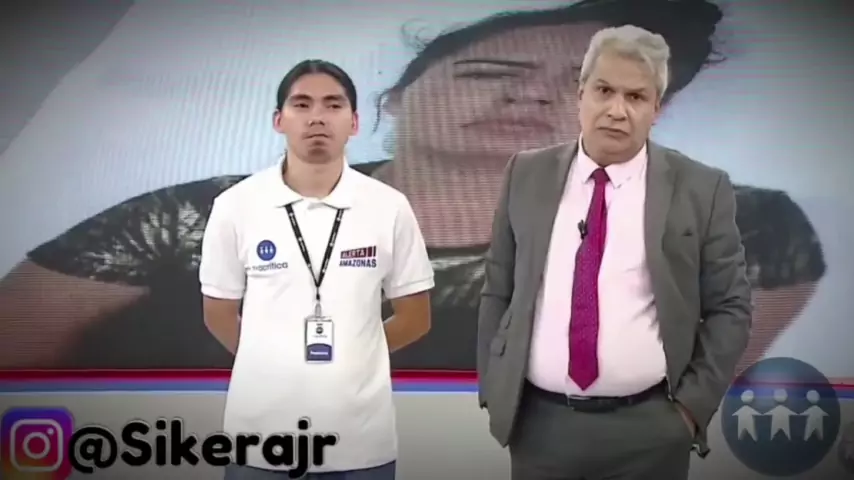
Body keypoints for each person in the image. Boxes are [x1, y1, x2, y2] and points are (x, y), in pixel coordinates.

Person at [0, 0, 824, 371]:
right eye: (491, 73)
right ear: (394, 99)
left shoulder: (732, 225)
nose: (532, 99)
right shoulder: (203, 215)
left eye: (588, 89)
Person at [477, 25, 752, 479]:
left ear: (657, 109)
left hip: (651, 431)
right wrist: (494, 387)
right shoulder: (526, 173)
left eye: (636, 97)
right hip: (538, 427)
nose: (616, 111)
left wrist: (689, 410)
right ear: (580, 94)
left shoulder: (702, 189)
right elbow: (498, 289)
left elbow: (731, 307)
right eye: (604, 91)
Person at [202, 59, 433, 479]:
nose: (317, 118)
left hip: (361, 442)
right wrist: (271, 360)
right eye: (302, 104)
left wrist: (356, 357)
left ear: (354, 122)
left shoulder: (389, 206)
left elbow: (415, 317)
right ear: (279, 120)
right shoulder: (236, 205)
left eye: (333, 105)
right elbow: (218, 313)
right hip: (259, 439)